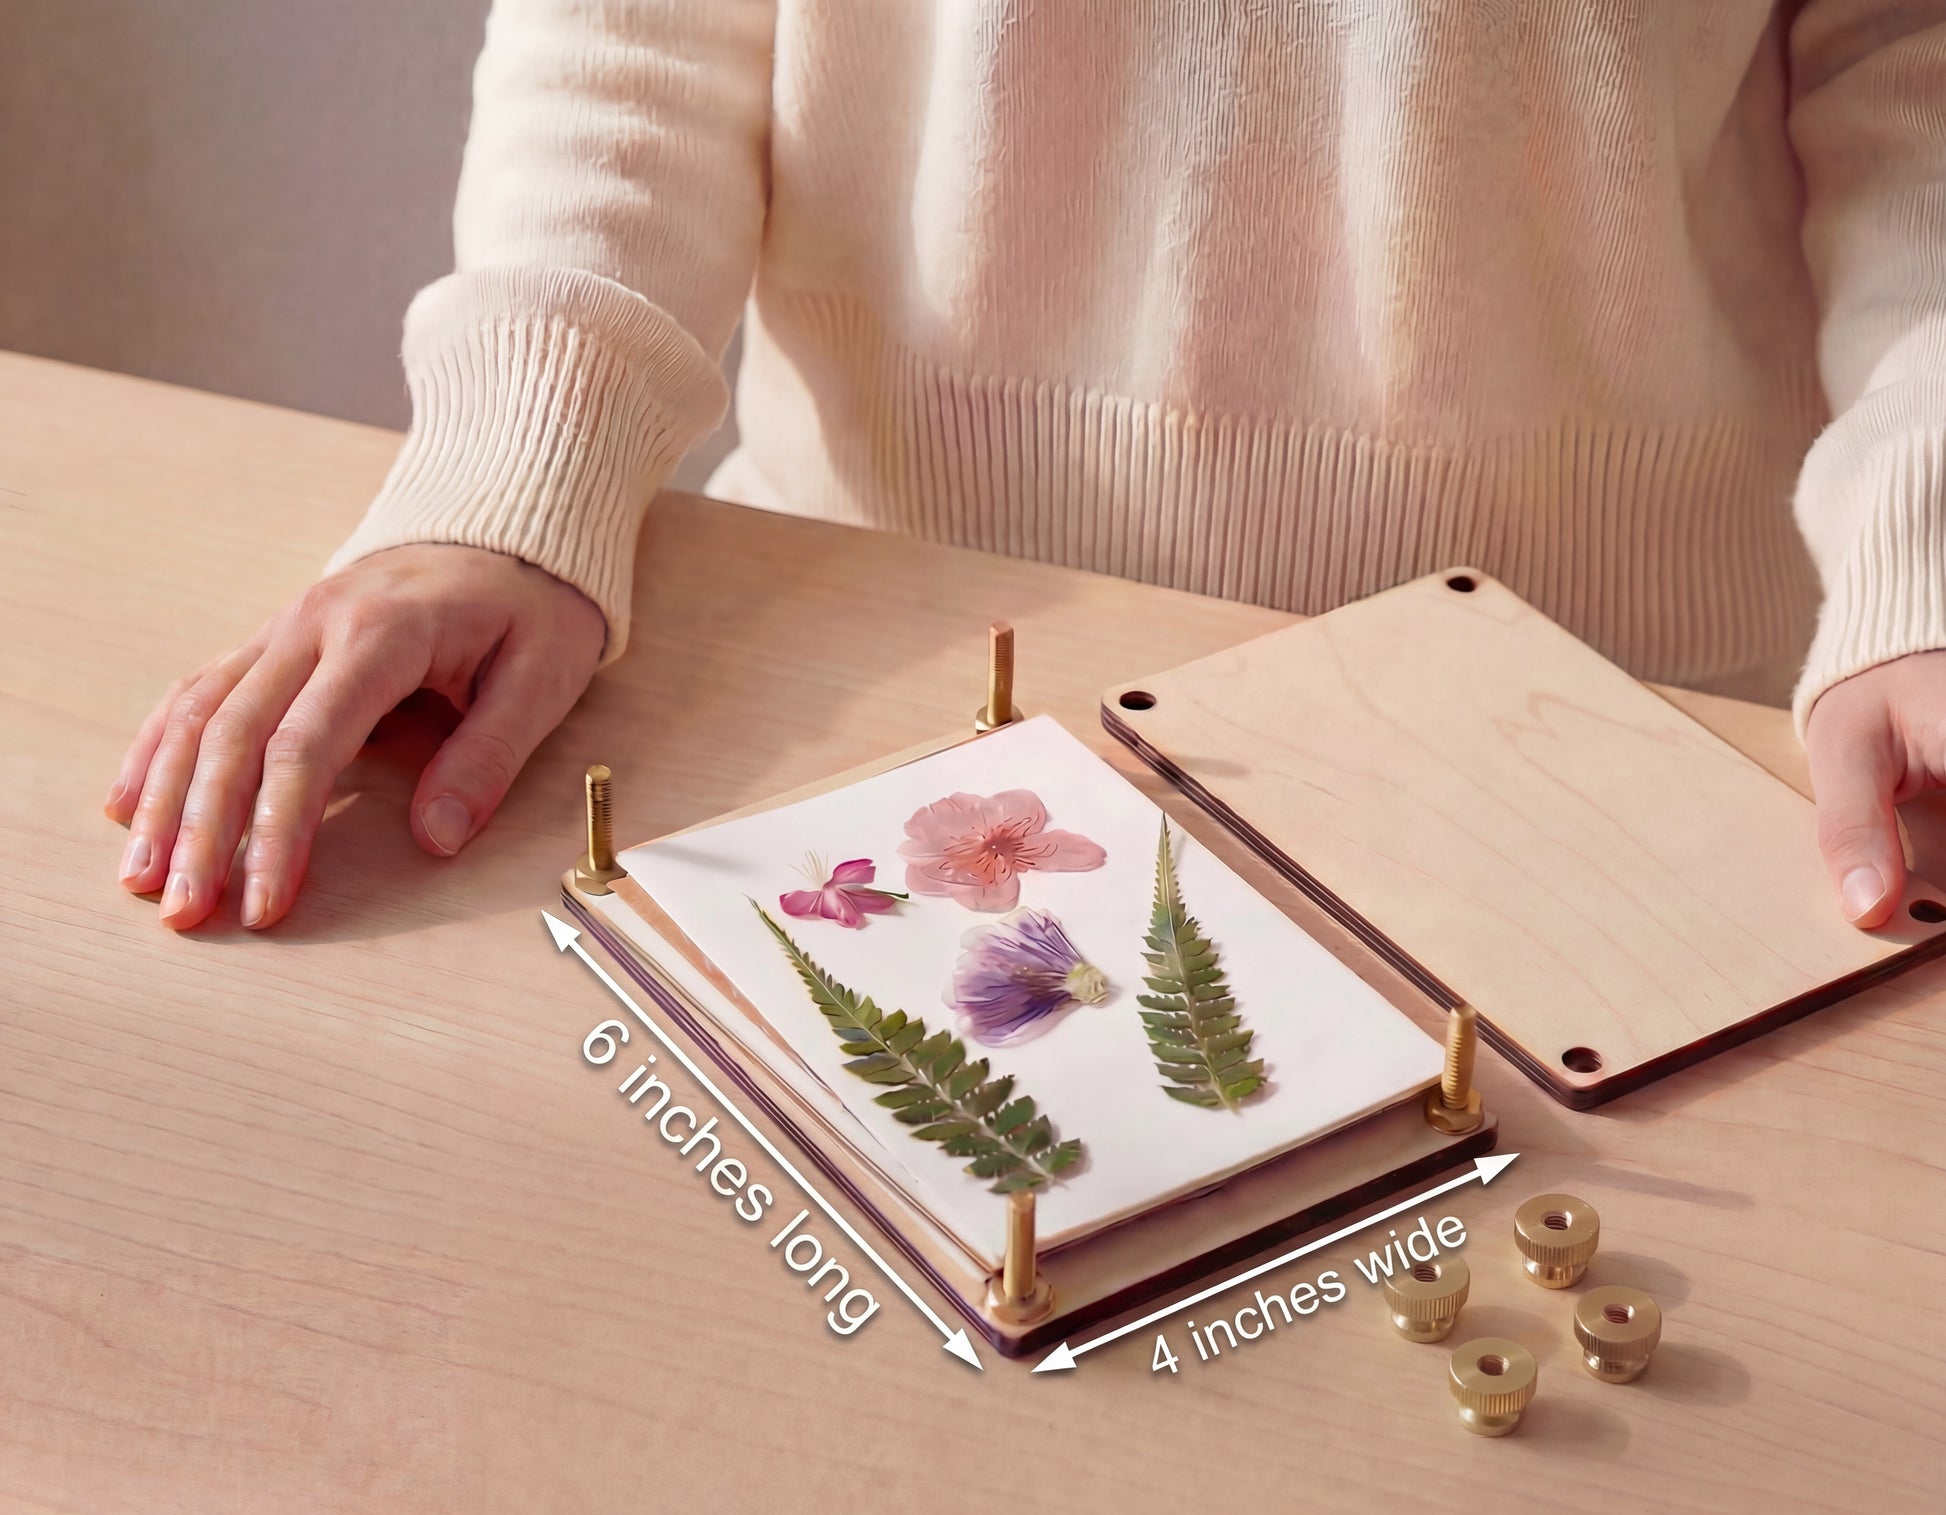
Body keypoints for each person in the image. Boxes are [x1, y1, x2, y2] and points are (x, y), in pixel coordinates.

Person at [106, 1, 1946, 934]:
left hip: (1625, 712)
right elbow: (635, 32)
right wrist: (511, 479)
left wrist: (1927, 544)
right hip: (863, 654)